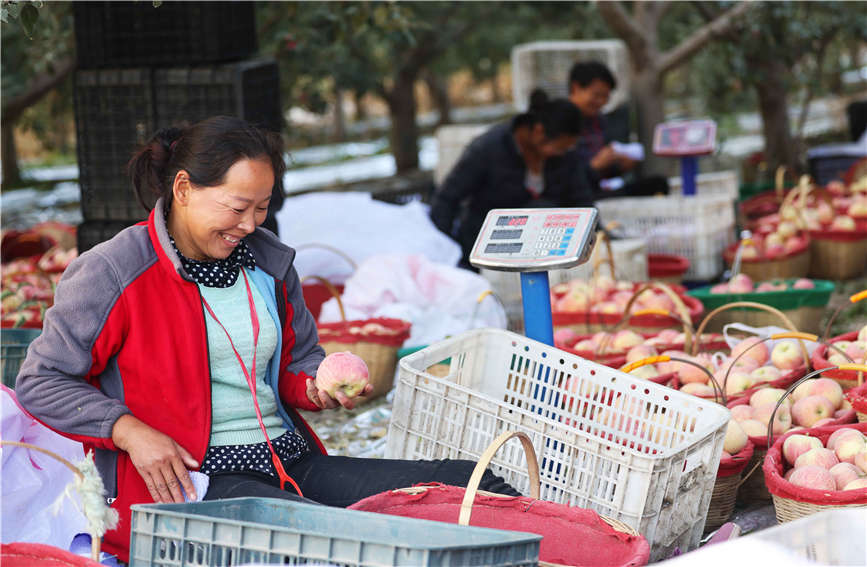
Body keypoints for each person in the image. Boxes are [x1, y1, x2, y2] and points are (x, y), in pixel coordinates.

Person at [15, 116, 518, 563]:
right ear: (184, 188)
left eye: (262, 207)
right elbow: (41, 380)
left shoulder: (269, 264)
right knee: (351, 543)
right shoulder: (113, 272)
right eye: (237, 207)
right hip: (192, 483)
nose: (251, 224)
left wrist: (318, 385)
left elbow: (299, 363)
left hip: (286, 458)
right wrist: (127, 430)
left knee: (470, 483)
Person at [430, 91, 594, 268]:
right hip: (490, 245)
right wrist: (444, 253)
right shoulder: (488, 148)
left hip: (550, 247)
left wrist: (594, 234)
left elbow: (581, 199)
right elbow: (447, 198)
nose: (563, 153)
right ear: (539, 132)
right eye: (560, 148)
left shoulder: (565, 157)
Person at [568, 61, 668, 197]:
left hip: (597, 189)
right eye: (596, 95)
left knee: (657, 185)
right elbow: (560, 178)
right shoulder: (559, 120)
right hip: (573, 195)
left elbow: (601, 173)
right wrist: (593, 166)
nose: (601, 102)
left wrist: (619, 166)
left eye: (606, 97)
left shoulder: (599, 120)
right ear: (576, 88)